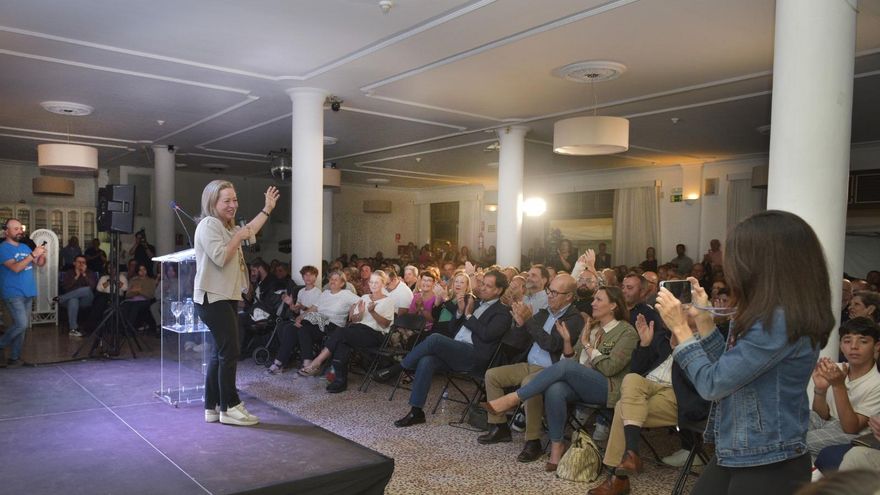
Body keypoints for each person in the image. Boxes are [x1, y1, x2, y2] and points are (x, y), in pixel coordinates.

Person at [655, 210, 834, 495]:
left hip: (768, 460)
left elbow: (712, 384)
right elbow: (727, 370)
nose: (729, 263)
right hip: (745, 449)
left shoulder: (778, 321)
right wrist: (702, 321)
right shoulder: (771, 315)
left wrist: (680, 329)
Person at [485, 285, 638, 470]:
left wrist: (587, 345)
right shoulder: (592, 327)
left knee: (562, 370)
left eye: (599, 300)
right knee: (555, 389)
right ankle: (557, 446)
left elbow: (610, 367)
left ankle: (513, 398)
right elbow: (571, 360)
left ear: (613, 305)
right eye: (594, 298)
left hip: (607, 387)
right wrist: (568, 342)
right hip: (580, 383)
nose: (593, 303)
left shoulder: (626, 331)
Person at [193, 180, 278, 426]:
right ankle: (230, 406)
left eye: (235, 199)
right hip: (213, 298)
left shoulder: (225, 226)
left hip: (225, 297)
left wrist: (267, 209)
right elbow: (220, 257)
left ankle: (213, 406)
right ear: (213, 202)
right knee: (230, 352)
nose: (233, 205)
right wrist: (239, 235)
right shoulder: (209, 224)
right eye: (226, 201)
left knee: (220, 353)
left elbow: (249, 229)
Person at [479, 274, 585, 464]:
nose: (550, 295)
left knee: (530, 384)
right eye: (549, 291)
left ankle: (533, 440)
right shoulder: (544, 313)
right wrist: (519, 325)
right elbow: (518, 342)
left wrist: (529, 322)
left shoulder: (574, 319)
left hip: (551, 370)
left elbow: (552, 345)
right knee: (492, 375)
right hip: (528, 364)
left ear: (569, 296)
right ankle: (499, 427)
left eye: (555, 292)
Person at [390, 270, 511, 427]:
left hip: (474, 356)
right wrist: (460, 312)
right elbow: (453, 328)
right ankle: (416, 412)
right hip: (457, 349)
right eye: (482, 284)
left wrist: (468, 316)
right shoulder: (476, 303)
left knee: (434, 338)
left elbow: (486, 335)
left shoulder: (503, 312)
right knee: (427, 361)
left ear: (498, 290)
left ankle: (399, 367)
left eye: (488, 286)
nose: (482, 288)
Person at [299, 271, 395, 393]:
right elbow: (355, 320)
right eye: (371, 282)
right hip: (358, 330)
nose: (373, 285)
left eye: (376, 282)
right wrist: (358, 314)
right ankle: (340, 381)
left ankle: (317, 363)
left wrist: (372, 312)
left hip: (375, 334)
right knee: (342, 342)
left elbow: (385, 324)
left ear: (383, 284)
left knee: (340, 333)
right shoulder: (364, 297)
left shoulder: (388, 301)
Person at [808, 317, 880, 457]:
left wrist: (838, 386)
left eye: (863, 341)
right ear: (840, 345)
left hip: (852, 434)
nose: (854, 346)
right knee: (791, 427)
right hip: (827, 422)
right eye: (847, 341)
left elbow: (851, 428)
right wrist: (820, 390)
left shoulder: (876, 383)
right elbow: (821, 415)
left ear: (876, 346)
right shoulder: (837, 369)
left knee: (801, 441)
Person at [294, 270, 360, 375]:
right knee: (303, 329)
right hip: (320, 323)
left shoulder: (346, 294)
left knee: (304, 323)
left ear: (342, 283)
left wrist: (353, 308)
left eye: (336, 280)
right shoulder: (325, 293)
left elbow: (361, 301)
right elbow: (314, 307)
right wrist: (301, 316)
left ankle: (313, 364)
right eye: (331, 279)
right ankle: (307, 362)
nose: (332, 281)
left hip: (334, 326)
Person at [0, 219, 47, 367]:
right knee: (21, 324)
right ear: (6, 231)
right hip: (13, 293)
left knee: (22, 328)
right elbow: (15, 268)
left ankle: (15, 358)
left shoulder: (25, 247)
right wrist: (33, 255)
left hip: (28, 292)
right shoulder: (3, 248)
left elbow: (39, 264)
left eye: (21, 228)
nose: (20, 231)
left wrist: (41, 254)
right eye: (16, 229)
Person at [266, 265, 321, 374]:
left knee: (291, 329)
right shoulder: (301, 292)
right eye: (305, 275)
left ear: (315, 277)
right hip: (300, 320)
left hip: (312, 321)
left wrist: (301, 308)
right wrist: (291, 304)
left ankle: (283, 362)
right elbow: (296, 310)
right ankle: (280, 361)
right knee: (287, 329)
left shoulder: (318, 292)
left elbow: (316, 310)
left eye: (311, 275)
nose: (308, 277)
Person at [57, 255, 97, 337]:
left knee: (87, 289)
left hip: (85, 300)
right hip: (69, 300)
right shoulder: (69, 273)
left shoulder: (90, 273)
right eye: (79, 262)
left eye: (83, 262)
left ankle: (60, 298)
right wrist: (77, 276)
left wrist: (84, 274)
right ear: (74, 263)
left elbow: (92, 287)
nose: (81, 264)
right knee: (73, 300)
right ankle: (73, 329)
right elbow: (65, 287)